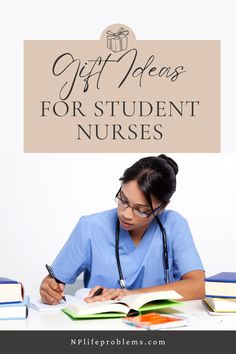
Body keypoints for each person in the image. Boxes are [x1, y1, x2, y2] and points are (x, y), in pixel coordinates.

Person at [40, 154, 205, 305]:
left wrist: (130, 294)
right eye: (123, 200)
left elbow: (199, 285)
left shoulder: (174, 224)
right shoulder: (90, 227)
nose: (126, 214)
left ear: (162, 207)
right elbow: (54, 281)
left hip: (159, 324)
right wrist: (49, 289)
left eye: (141, 209)